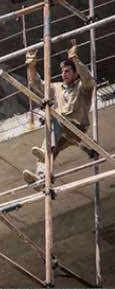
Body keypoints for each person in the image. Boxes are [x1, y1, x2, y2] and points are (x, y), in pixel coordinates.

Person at [23, 40, 95, 184]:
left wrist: (74, 57)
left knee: (53, 122)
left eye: (67, 71)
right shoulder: (56, 88)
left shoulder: (83, 88)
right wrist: (31, 65)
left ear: (76, 74)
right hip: (60, 129)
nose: (64, 74)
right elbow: (36, 83)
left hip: (76, 128)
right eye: (62, 72)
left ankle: (46, 156)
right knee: (50, 147)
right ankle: (42, 177)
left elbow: (87, 78)